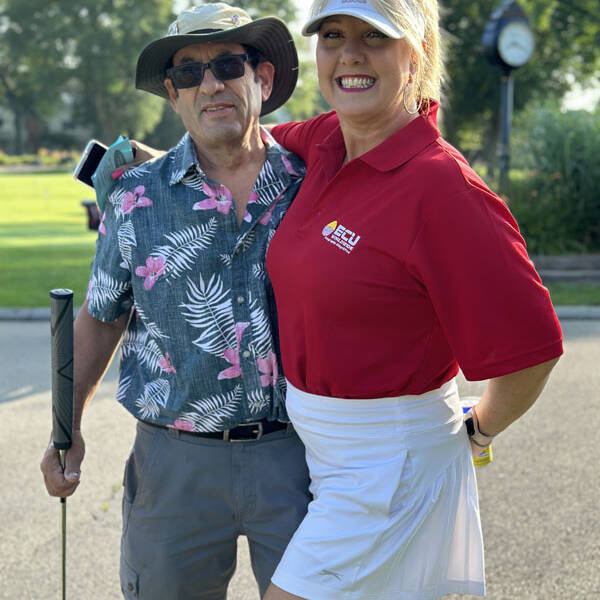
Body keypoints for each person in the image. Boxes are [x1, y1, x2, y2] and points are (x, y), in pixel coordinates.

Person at [258, 0, 564, 598]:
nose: (348, 53)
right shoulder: (325, 141)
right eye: (333, 35)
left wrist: (480, 429)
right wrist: (155, 168)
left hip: (389, 467)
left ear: (416, 52)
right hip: (330, 460)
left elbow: (533, 350)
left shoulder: (441, 186)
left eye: (375, 37)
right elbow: (244, 145)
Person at [40, 5, 311, 599]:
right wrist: (69, 426)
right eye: (189, 73)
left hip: (301, 459)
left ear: (261, 79)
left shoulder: (310, 184)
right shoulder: (135, 197)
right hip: (174, 463)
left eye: (228, 65)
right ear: (172, 93)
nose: (210, 84)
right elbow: (101, 316)